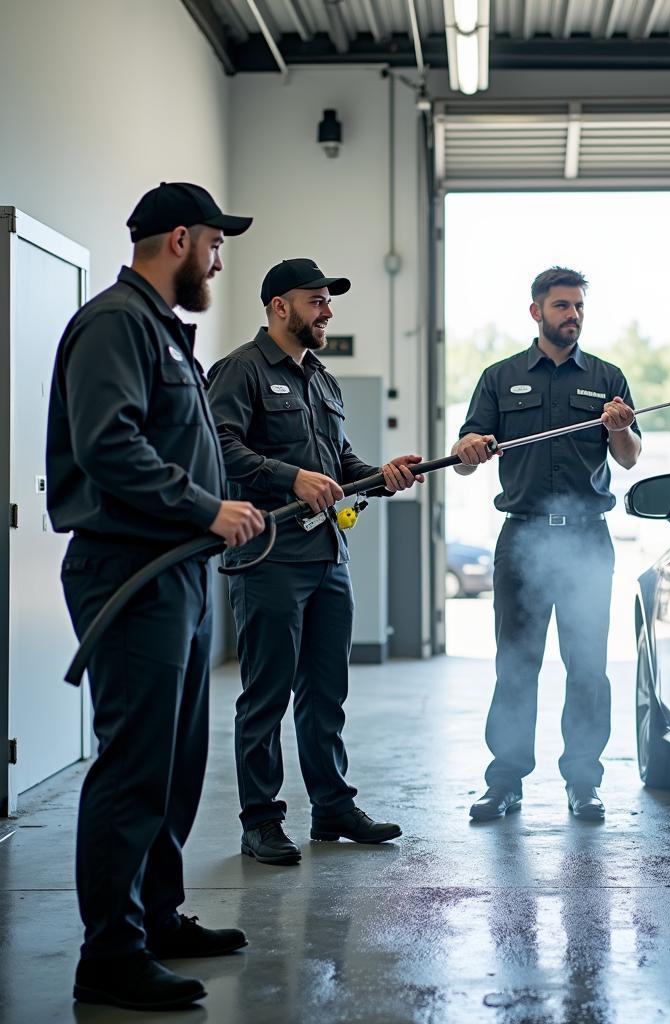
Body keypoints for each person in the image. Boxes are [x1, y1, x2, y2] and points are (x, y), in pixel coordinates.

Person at [46, 182, 265, 1011]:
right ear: (179, 238)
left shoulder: (165, 333)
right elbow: (108, 444)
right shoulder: (117, 323)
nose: (217, 258)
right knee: (134, 763)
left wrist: (210, 517)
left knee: (174, 763)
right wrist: (205, 505)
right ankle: (110, 952)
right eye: (213, 243)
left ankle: (157, 916)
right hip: (130, 572)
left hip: (178, 570)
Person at [206, 258, 423, 866]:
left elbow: (340, 462)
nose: (326, 311)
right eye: (315, 301)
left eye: (328, 302)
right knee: (266, 694)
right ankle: (260, 821)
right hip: (270, 557)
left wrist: (381, 477)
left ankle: (330, 807)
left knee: (325, 691)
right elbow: (218, 446)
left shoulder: (322, 379)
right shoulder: (241, 371)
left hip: (329, 555)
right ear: (279, 307)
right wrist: (289, 477)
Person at [453, 266, 641, 822]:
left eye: (579, 306)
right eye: (561, 306)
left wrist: (618, 427)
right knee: (516, 666)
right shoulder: (499, 376)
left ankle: (584, 783)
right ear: (536, 312)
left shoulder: (607, 377)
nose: (573, 315)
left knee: (587, 668)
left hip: (586, 541)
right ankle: (505, 783)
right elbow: (466, 456)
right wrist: (469, 445)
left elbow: (629, 457)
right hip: (523, 539)